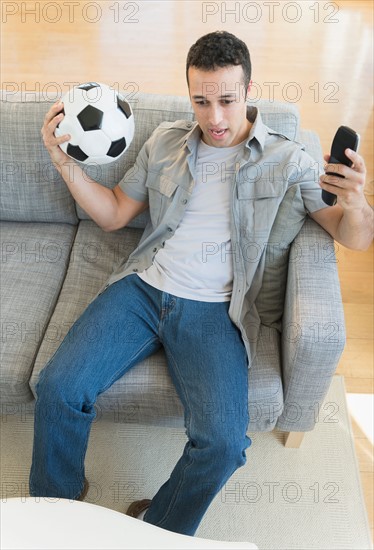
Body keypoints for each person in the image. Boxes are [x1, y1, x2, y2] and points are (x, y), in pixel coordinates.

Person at [30, 31, 373, 536]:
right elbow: (114, 215)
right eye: (201, 101)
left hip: (216, 311)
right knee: (58, 388)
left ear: (249, 90)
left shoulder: (290, 157)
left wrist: (356, 202)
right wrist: (63, 161)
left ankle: (160, 528)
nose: (214, 117)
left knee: (223, 444)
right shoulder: (165, 141)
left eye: (228, 100)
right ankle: (55, 507)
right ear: (189, 94)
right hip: (144, 290)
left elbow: (353, 239)